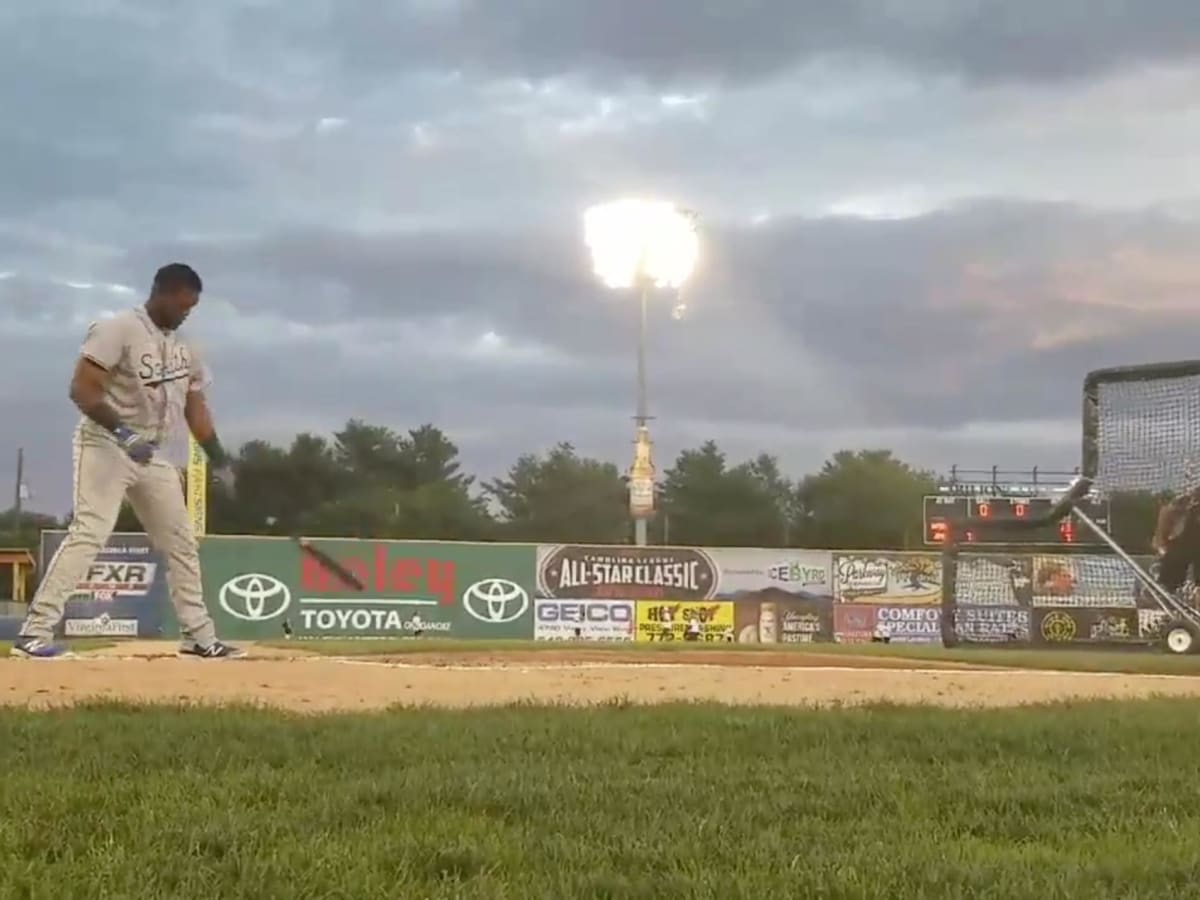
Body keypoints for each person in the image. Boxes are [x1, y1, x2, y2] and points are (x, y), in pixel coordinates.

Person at [12, 263, 242, 659]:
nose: (187, 313)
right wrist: (123, 433)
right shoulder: (117, 328)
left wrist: (218, 457)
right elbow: (82, 390)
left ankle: (199, 637)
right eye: (183, 305)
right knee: (90, 532)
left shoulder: (186, 346)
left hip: (153, 454)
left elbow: (195, 405)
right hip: (105, 443)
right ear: (164, 292)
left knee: (181, 542)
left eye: (192, 307)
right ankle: (34, 633)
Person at [1152, 485, 1200, 601]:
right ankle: (1168, 591)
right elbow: (1161, 538)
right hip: (1182, 547)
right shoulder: (1179, 509)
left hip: (1188, 546)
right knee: (1171, 576)